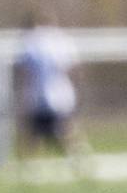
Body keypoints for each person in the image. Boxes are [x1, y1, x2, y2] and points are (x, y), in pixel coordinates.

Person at [14, 14, 82, 160]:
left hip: (41, 96)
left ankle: (28, 167)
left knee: (37, 132)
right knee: (59, 129)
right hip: (62, 94)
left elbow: (25, 71)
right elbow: (72, 65)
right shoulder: (59, 39)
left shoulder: (30, 43)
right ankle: (78, 159)